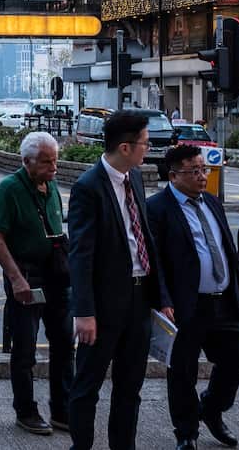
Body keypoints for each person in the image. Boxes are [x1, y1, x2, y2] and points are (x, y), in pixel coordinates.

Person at [67, 110, 172, 450]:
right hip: (103, 305)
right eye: (145, 143)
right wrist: (84, 312)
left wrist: (163, 298)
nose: (148, 149)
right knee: (87, 386)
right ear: (125, 147)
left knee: (130, 387)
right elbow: (80, 254)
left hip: (139, 300)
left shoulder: (135, 178)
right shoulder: (88, 187)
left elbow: (147, 240)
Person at [147, 144, 239, 450]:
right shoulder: (157, 209)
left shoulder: (212, 202)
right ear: (174, 175)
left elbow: (229, 250)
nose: (203, 176)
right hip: (185, 305)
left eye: (204, 169)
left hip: (224, 300)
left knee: (236, 361)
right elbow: (155, 261)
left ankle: (212, 409)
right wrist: (163, 301)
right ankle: (186, 431)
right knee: (182, 371)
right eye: (194, 171)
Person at [0, 131, 73, 435]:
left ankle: (62, 408)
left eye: (55, 161)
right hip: (26, 274)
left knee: (64, 343)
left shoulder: (52, 185)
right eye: (46, 162)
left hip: (56, 274)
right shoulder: (9, 189)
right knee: (25, 348)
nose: (54, 167)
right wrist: (16, 279)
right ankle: (25, 410)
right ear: (27, 161)